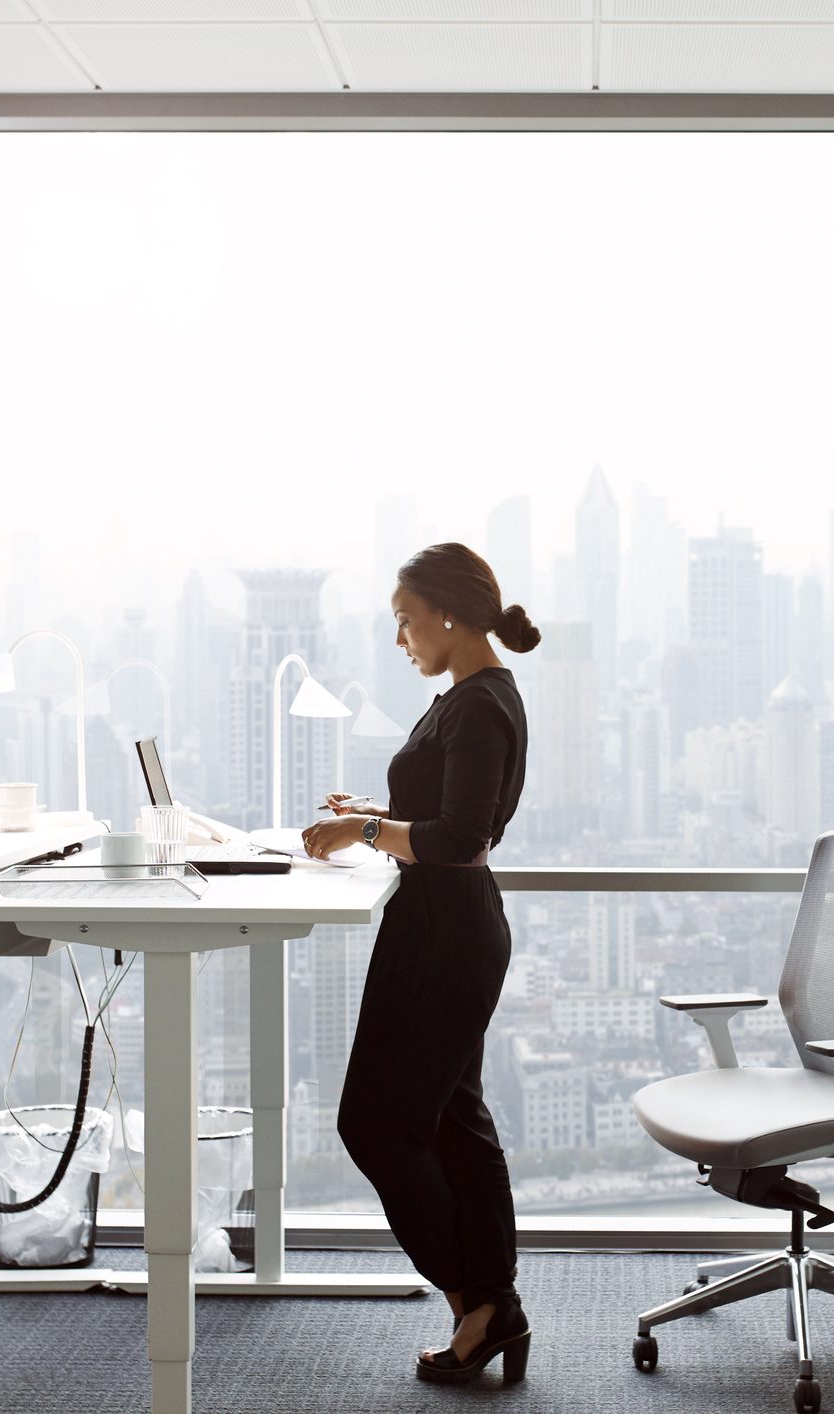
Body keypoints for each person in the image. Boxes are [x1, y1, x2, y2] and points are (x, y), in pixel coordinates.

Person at [300, 541, 539, 1385]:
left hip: (446, 935)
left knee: (375, 1127)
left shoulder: (479, 705)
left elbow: (461, 837)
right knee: (454, 1124)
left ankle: (479, 1301)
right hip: (439, 925)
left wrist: (366, 831)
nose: (399, 638)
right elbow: (438, 813)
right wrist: (371, 813)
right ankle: (490, 1304)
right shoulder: (468, 698)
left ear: (444, 611)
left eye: (404, 620)